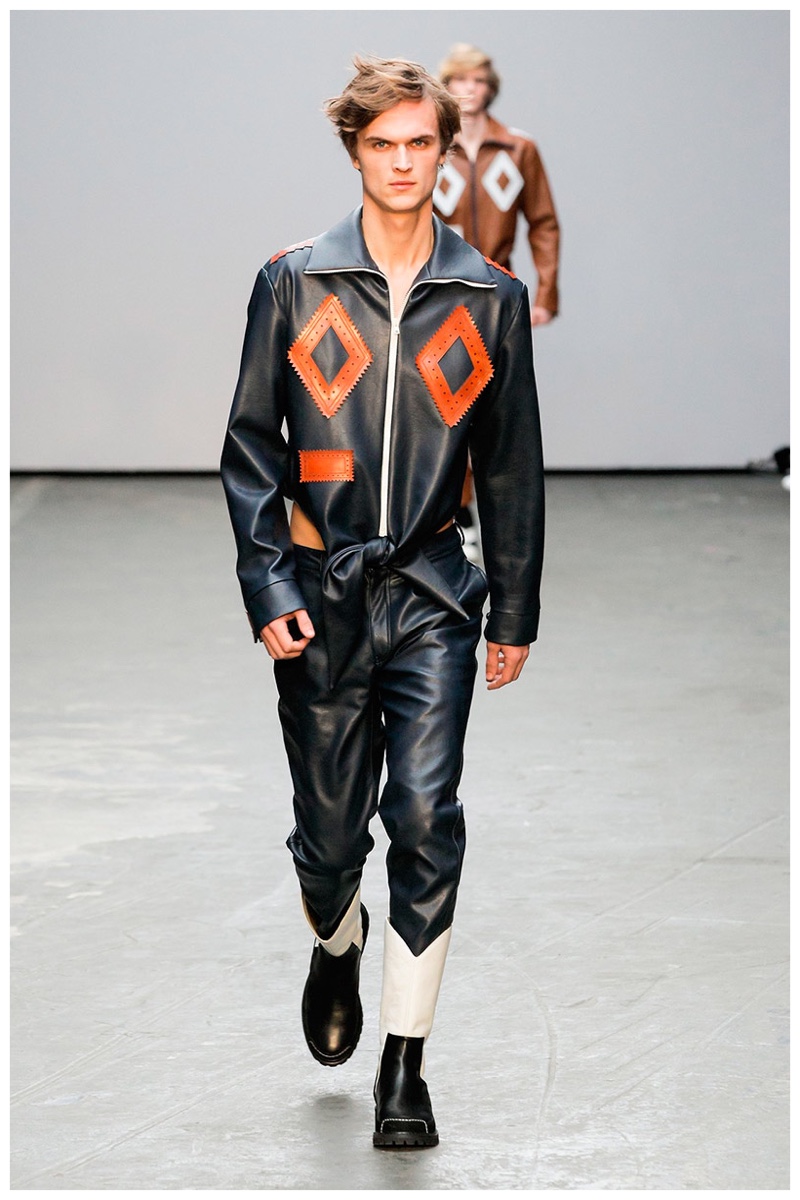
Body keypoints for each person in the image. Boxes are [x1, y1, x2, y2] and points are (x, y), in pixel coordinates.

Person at [220, 54, 545, 1151]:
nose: (402, 164)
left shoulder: (487, 297)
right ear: (354, 152)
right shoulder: (293, 282)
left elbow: (510, 466)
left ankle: (404, 1067)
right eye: (382, 146)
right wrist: (269, 582)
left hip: (434, 593)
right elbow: (250, 448)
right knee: (326, 840)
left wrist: (511, 612)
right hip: (320, 596)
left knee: (423, 815)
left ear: (443, 152)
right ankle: (335, 938)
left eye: (419, 144)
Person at [434, 43, 559, 556]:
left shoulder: (518, 149)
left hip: (498, 293)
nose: (469, 90)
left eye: (478, 81)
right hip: (439, 292)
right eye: (459, 81)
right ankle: (456, 515)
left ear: (491, 88)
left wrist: (546, 292)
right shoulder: (433, 146)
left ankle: (489, 517)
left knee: (495, 408)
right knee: (445, 403)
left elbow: (543, 221)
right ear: (446, 87)